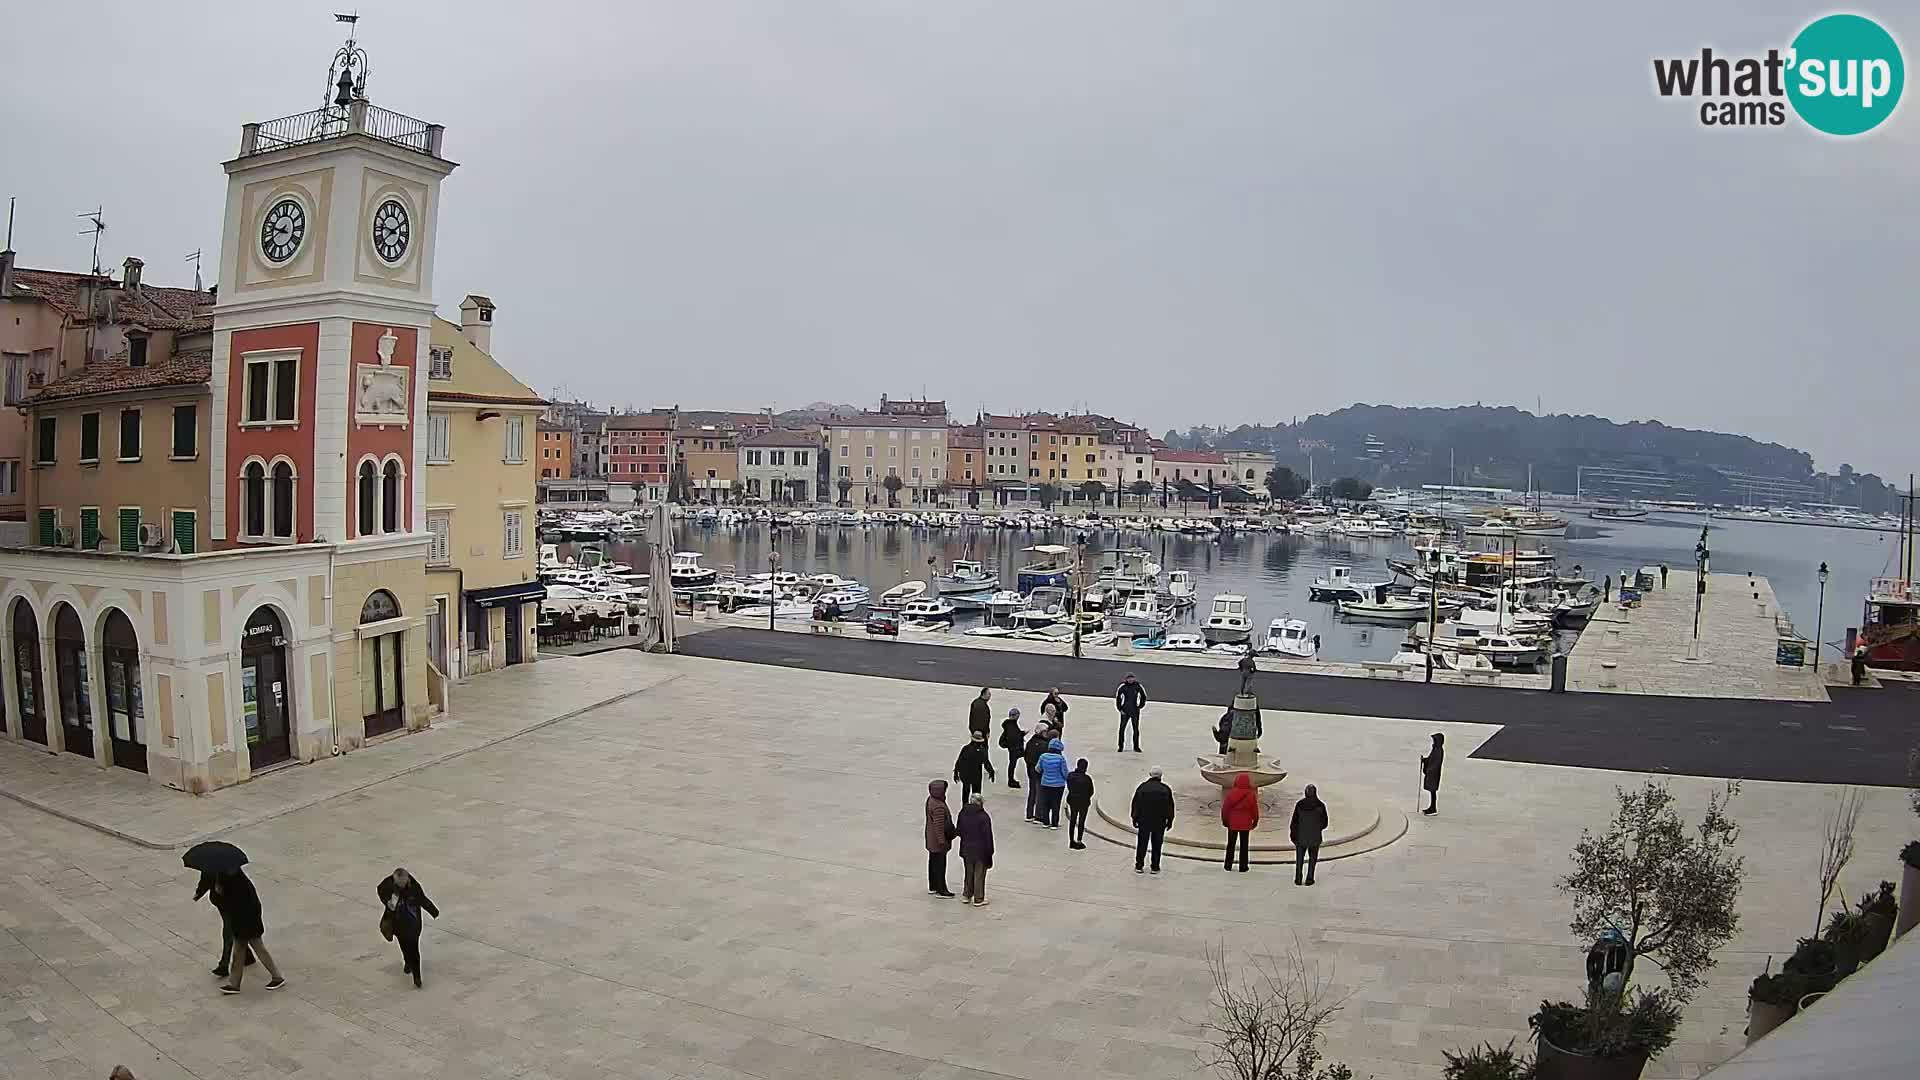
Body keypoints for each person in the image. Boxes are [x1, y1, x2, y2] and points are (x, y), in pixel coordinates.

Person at [217, 870, 285, 994]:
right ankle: (234, 984)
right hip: (245, 919)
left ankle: (277, 977)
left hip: (245, 920)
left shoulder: (232, 882)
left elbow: (234, 903)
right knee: (239, 950)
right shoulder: (238, 878)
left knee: (257, 947)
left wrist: (221, 891)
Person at [377, 867, 440, 987]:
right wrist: (386, 901)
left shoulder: (414, 886)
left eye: (403, 883)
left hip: (413, 923)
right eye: (399, 883)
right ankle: (407, 961)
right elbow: (380, 890)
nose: (401, 886)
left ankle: (417, 977)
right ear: (395, 880)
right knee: (404, 945)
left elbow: (422, 899)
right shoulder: (388, 883)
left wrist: (433, 911)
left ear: (407, 879)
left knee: (414, 949)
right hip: (397, 923)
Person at [194, 870, 254, 978]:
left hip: (232, 903)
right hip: (221, 902)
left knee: (228, 932)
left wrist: (221, 885)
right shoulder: (210, 865)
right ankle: (248, 955)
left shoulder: (231, 869)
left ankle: (224, 964)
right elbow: (205, 879)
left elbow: (240, 885)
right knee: (235, 928)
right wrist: (199, 893)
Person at [1130, 767, 1176, 874]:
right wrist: (1170, 821)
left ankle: (1139, 865)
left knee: (1142, 843)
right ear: (1160, 776)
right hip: (1159, 821)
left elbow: (1136, 804)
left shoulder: (1142, 788)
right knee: (1157, 844)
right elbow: (1170, 807)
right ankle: (1155, 867)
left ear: (1150, 775)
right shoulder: (1165, 789)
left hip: (1144, 820)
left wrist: (1134, 818)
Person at [956, 793, 994, 906]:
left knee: (969, 872)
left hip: (966, 848)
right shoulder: (984, 817)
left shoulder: (963, 813)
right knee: (979, 874)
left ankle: (966, 895)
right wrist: (990, 851)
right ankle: (978, 898)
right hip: (980, 850)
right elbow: (988, 837)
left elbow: (959, 830)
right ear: (981, 803)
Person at [1290, 784, 1328, 886]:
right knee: (1312, 859)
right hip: (1315, 838)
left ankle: (1298, 879)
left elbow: (1294, 822)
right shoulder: (1320, 805)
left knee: (1299, 859)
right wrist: (1317, 828)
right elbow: (1325, 823)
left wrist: (1293, 835)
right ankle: (1309, 879)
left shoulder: (1300, 805)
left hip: (1300, 837)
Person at [924, 780, 957, 898]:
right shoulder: (938, 806)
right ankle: (941, 889)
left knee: (932, 862)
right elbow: (939, 826)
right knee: (940, 865)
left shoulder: (931, 800)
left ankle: (933, 886)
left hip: (931, 838)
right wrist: (942, 842)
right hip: (937, 842)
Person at [1220, 773, 1258, 872]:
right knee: (1244, 846)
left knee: (1231, 844)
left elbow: (1225, 809)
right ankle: (1243, 866)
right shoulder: (1251, 795)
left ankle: (1228, 865)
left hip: (1232, 823)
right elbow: (1254, 809)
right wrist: (1255, 820)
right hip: (1246, 823)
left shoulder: (1231, 794)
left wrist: (1225, 820)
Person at [952, 730, 996, 803]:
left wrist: (956, 772)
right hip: (976, 776)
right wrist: (991, 772)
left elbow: (959, 761)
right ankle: (976, 808)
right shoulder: (982, 750)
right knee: (976, 793)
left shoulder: (965, 748)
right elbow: (986, 762)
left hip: (965, 774)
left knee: (965, 792)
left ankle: (965, 807)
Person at [1036, 738, 1070, 828]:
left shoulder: (1043, 756)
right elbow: (1065, 772)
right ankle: (1054, 823)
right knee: (1056, 804)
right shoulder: (1060, 759)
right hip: (1058, 785)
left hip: (1045, 784)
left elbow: (1038, 769)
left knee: (1045, 803)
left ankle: (1046, 822)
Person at [1023, 726, 1053, 821]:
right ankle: (1038, 815)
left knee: (1032, 791)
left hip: (1031, 769)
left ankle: (1029, 813)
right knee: (1040, 792)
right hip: (1039, 771)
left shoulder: (1030, 742)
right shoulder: (1044, 744)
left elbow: (1026, 756)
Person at [1064, 758, 1094, 850]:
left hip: (1073, 800)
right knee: (1081, 821)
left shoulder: (1071, 776)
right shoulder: (1087, 779)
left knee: (1072, 820)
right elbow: (1091, 791)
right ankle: (1079, 840)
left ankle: (1071, 840)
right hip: (1084, 802)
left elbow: (1069, 786)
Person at [1115, 674, 1147, 752]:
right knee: (1122, 729)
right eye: (1129, 679)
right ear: (1126, 679)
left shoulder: (1137, 686)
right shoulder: (1123, 687)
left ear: (1134, 679)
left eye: (1132, 678)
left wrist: (1140, 706)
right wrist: (1120, 709)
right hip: (1125, 711)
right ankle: (1121, 746)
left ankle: (1136, 746)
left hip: (1135, 711)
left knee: (1135, 729)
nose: (1130, 680)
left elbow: (1143, 696)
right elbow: (1118, 698)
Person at [998, 707, 1027, 788]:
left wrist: (1021, 733)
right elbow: (1013, 737)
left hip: (1013, 748)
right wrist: (1021, 735)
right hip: (1014, 749)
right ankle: (1011, 781)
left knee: (1012, 764)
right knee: (1012, 765)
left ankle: (1011, 780)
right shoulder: (1011, 725)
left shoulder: (1010, 724)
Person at [1420, 732, 1444, 815]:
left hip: (1433, 774)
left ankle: (1433, 808)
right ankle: (1432, 807)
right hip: (1432, 773)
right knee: (1432, 791)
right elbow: (1431, 759)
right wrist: (1425, 760)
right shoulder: (1435, 749)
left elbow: (1436, 763)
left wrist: (1428, 769)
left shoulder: (1438, 750)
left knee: (1433, 791)